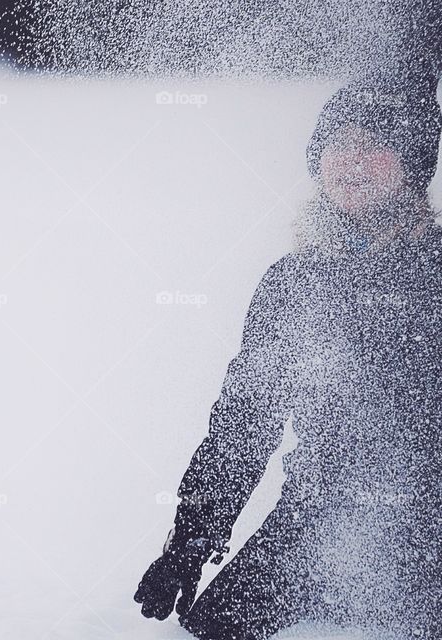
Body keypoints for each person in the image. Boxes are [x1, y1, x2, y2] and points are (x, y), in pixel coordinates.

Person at [134, 69, 442, 639]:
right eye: (338, 145)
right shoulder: (292, 285)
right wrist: (188, 543)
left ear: (411, 167)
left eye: (373, 145)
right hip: (317, 520)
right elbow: (244, 426)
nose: (351, 159)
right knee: (215, 628)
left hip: (428, 525)